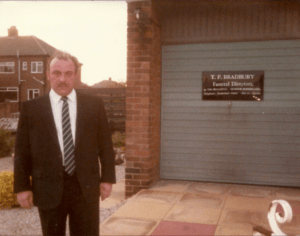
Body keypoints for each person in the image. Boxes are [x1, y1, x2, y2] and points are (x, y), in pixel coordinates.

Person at [14, 51, 116, 236]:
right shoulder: (32, 109)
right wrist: (22, 187)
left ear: (76, 75)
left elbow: (105, 144)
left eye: (68, 73)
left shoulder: (94, 105)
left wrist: (107, 178)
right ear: (48, 74)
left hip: (85, 187)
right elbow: (22, 152)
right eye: (57, 73)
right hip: (48, 187)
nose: (63, 79)